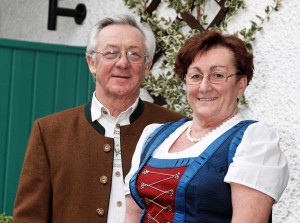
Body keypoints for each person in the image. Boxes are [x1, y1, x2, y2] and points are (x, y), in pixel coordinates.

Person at [13, 14, 184, 223]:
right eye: (111, 53)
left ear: (147, 67)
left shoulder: (175, 129)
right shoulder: (49, 131)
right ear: (92, 62)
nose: (123, 63)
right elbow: (29, 218)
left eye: (134, 54)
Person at [124, 30, 289, 223]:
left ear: (241, 85)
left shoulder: (254, 141)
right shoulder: (153, 136)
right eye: (195, 76)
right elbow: (132, 215)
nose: (204, 86)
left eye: (217, 75)